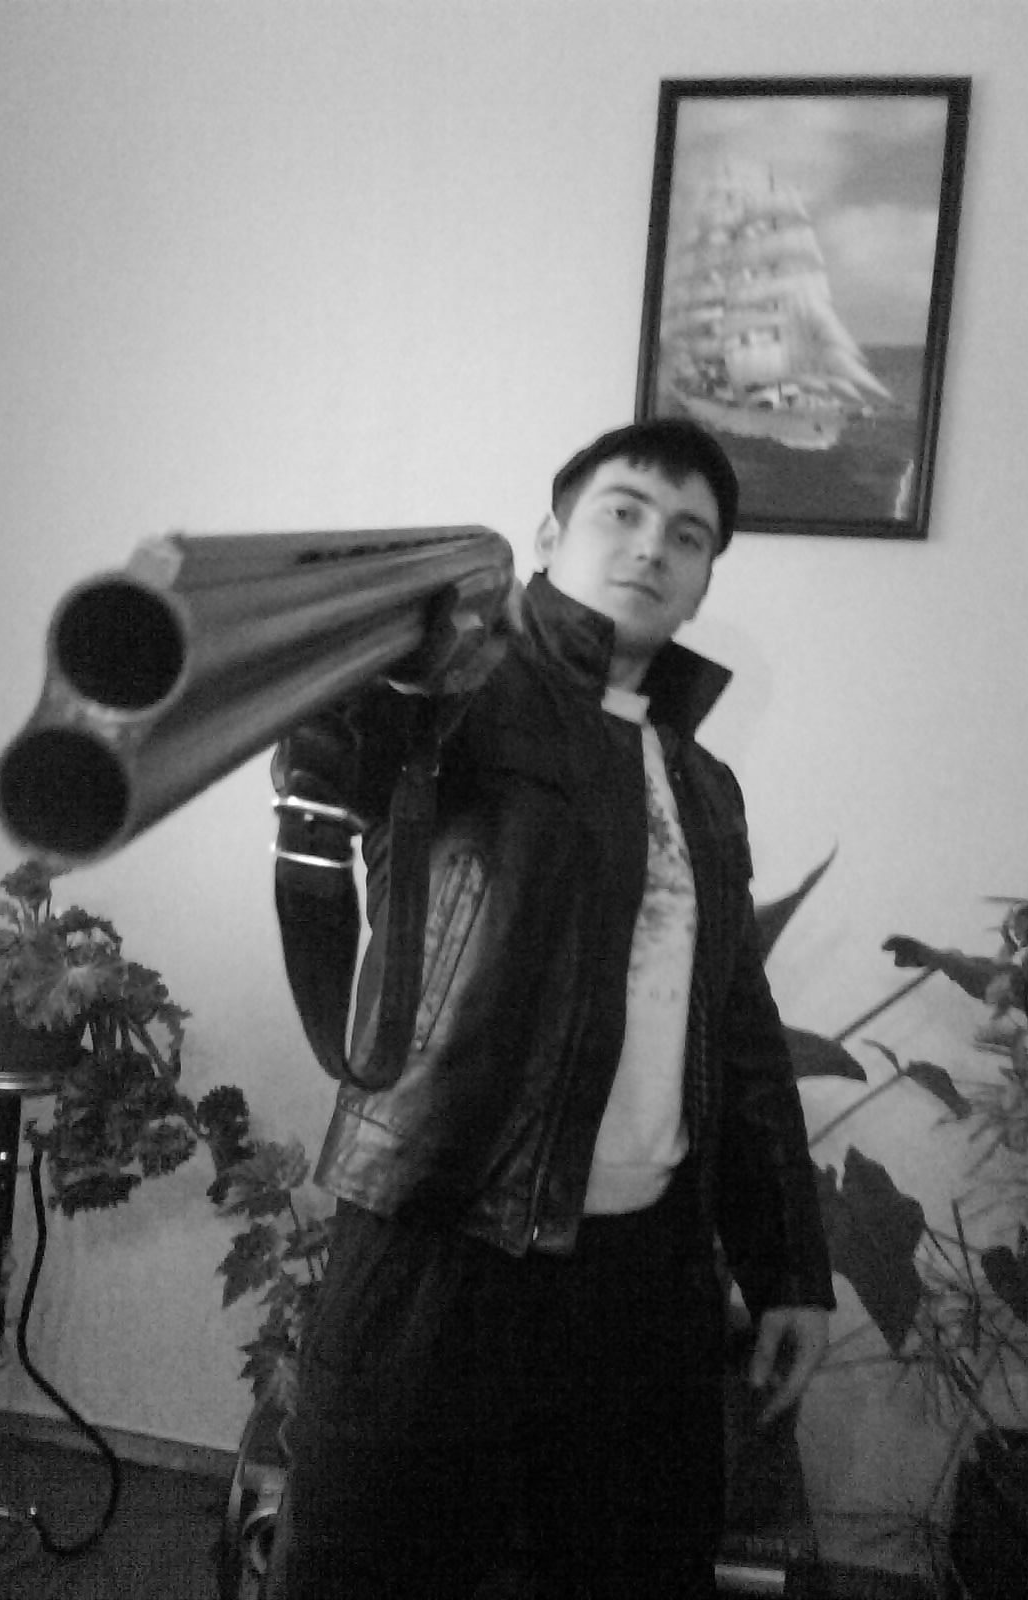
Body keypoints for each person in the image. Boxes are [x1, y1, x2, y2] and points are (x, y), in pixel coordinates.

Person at [266, 418, 834, 1599]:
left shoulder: (704, 784)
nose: (652, 546)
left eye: (689, 535)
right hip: (438, 1248)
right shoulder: (452, 697)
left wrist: (788, 1267)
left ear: (704, 582)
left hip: (643, 1280)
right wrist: (331, 698)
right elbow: (342, 739)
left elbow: (738, 1030)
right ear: (549, 535)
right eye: (623, 511)